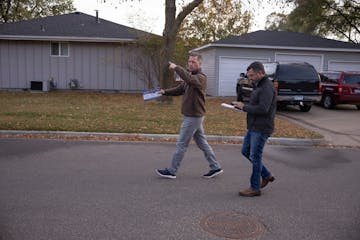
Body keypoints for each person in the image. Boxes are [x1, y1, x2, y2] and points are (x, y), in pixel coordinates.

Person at [156, 52, 223, 179]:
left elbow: (190, 79)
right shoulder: (189, 77)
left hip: (193, 116)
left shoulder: (200, 78)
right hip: (194, 116)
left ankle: (172, 170)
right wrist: (164, 92)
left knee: (181, 144)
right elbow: (180, 89)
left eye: (194, 62)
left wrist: (176, 67)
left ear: (200, 63)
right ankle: (215, 167)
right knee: (202, 143)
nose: (190, 64)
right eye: (189, 62)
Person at [232, 61, 276, 197]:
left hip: (262, 127)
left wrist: (244, 107)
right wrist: (242, 104)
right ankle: (267, 175)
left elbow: (263, 109)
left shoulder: (267, 87)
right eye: (249, 75)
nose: (250, 78)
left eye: (252, 75)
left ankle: (255, 188)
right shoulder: (258, 85)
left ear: (261, 73)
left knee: (255, 156)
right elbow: (255, 104)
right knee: (246, 151)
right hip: (253, 125)